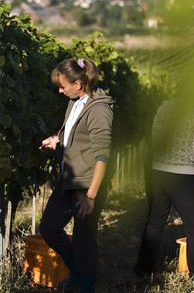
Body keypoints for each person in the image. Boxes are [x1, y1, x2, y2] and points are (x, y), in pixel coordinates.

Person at [38, 57, 114, 293]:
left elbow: (103, 156)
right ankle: (77, 270)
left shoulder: (100, 110)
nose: (60, 90)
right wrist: (57, 139)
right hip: (69, 178)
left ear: (79, 84)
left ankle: (87, 284)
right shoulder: (76, 101)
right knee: (49, 227)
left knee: (84, 237)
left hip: (87, 183)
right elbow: (73, 130)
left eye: (63, 86)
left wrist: (91, 196)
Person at [133, 98, 194, 280]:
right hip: (183, 177)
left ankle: (142, 268)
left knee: (155, 223)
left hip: (157, 173)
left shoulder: (163, 108)